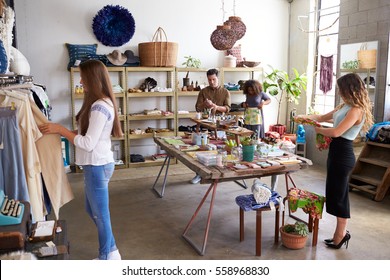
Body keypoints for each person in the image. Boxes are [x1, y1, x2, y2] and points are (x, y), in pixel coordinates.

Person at [39, 60, 123, 260]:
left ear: (93, 79)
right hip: (97, 164)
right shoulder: (100, 103)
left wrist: (61, 130)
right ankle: (112, 251)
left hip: (97, 165)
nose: (81, 80)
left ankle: (106, 257)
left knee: (101, 215)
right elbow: (87, 133)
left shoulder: (99, 107)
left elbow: (87, 143)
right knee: (92, 209)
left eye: (83, 77)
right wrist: (62, 131)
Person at [298, 73, 373, 249]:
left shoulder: (356, 110)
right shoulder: (345, 105)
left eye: (341, 88)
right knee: (334, 193)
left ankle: (341, 235)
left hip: (343, 154)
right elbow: (323, 117)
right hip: (336, 153)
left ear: (350, 89)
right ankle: (338, 234)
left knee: (340, 196)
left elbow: (336, 132)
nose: (339, 91)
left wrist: (317, 130)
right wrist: (304, 117)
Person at [191, 68, 231, 184]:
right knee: (202, 150)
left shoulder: (225, 92)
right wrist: (205, 104)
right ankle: (199, 174)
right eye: (209, 80)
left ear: (218, 78)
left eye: (214, 79)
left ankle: (217, 175)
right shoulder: (203, 91)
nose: (212, 82)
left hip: (219, 125)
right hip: (205, 124)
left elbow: (227, 108)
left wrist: (215, 106)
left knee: (218, 151)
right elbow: (197, 108)